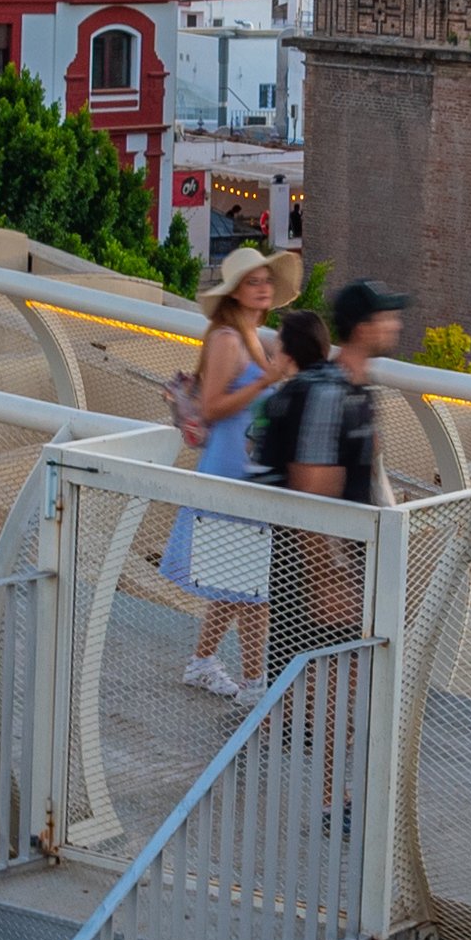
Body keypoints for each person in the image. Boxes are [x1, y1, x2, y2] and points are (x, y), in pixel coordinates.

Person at [248, 277, 406, 676]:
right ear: (362, 328)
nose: (396, 324)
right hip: (315, 586)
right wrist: (328, 582)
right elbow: (312, 495)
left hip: (342, 578)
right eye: (386, 316)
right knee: (314, 709)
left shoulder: (359, 390)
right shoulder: (330, 393)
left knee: (330, 711)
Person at [165, 246, 297, 699]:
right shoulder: (227, 339)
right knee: (252, 586)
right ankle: (256, 683)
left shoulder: (258, 338)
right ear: (235, 292)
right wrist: (266, 380)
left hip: (246, 471)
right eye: (253, 282)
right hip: (228, 470)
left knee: (239, 581)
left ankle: (203, 663)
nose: (263, 288)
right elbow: (212, 408)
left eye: (266, 281)